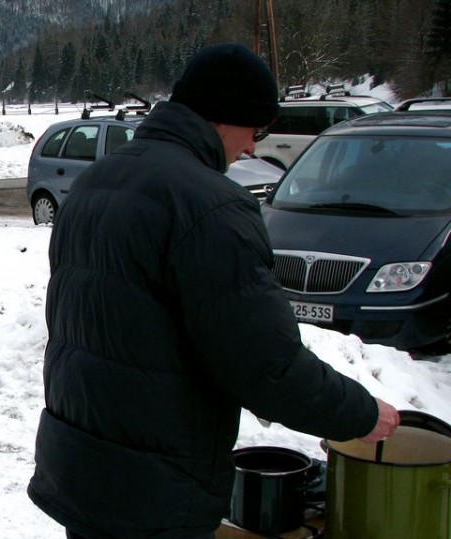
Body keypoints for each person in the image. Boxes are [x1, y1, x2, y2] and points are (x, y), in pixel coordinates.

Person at [27, 43, 400, 539]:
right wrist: (361, 413)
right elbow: (267, 367)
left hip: (81, 462)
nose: (251, 148)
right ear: (226, 116)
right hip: (153, 489)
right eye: (255, 130)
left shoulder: (97, 182)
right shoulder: (212, 206)